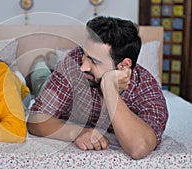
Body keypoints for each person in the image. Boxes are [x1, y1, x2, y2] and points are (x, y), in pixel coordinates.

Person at [27, 16, 168, 160]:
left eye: (94, 61)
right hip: (48, 84)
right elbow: (35, 120)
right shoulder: (75, 60)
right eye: (85, 55)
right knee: (40, 78)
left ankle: (51, 58)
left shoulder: (146, 89)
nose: (83, 66)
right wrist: (76, 132)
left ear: (124, 65)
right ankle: (41, 61)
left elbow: (138, 148)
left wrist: (109, 87)